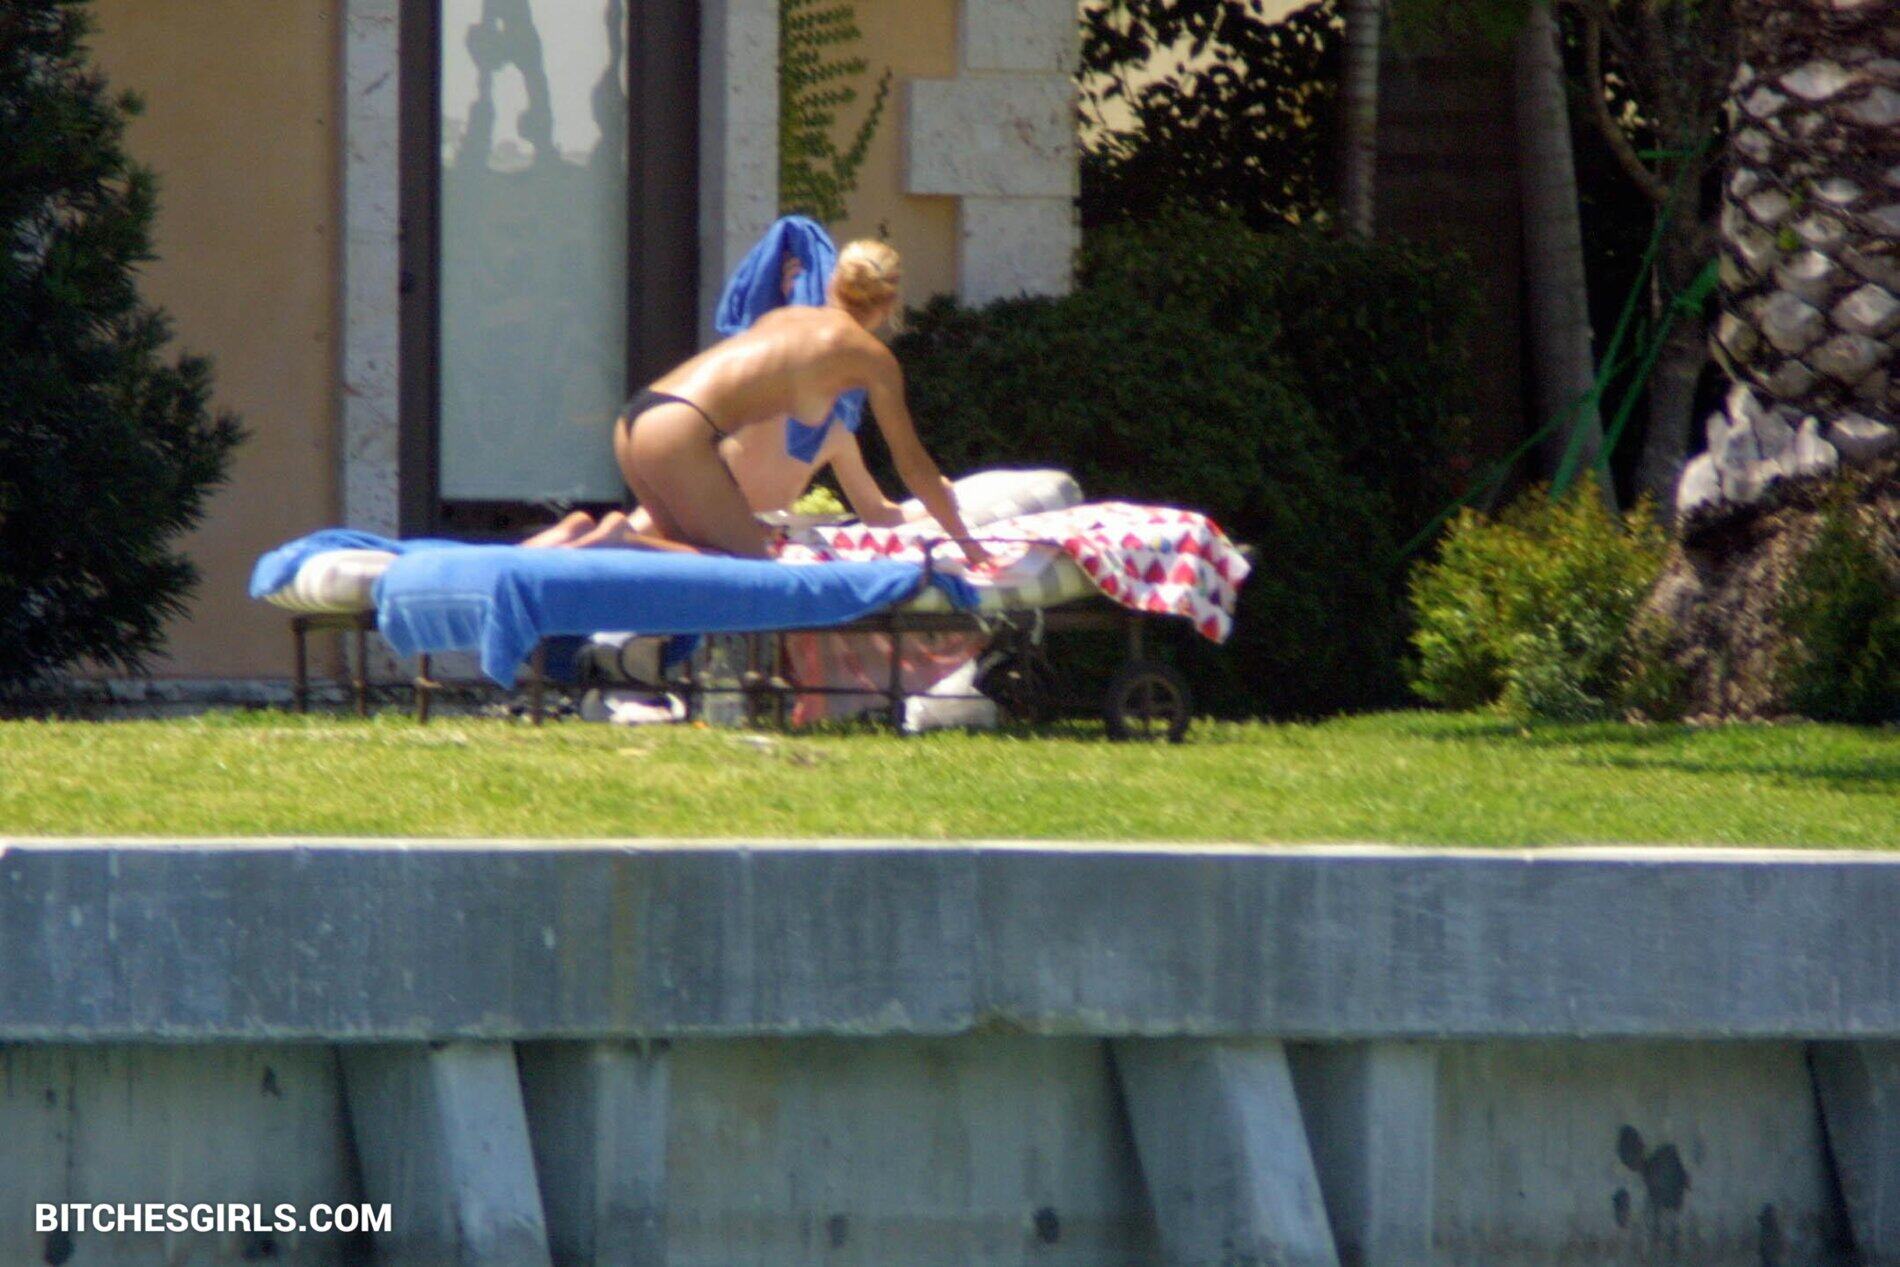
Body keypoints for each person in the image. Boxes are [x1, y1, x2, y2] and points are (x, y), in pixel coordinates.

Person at [611, 240, 987, 566]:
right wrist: (969, 545)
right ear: (890, 303)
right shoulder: (872, 356)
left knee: (684, 562)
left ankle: (603, 541)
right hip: (679, 431)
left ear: (833, 282)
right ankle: (618, 542)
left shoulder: (784, 318)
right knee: (754, 572)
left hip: (641, 414)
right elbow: (914, 467)